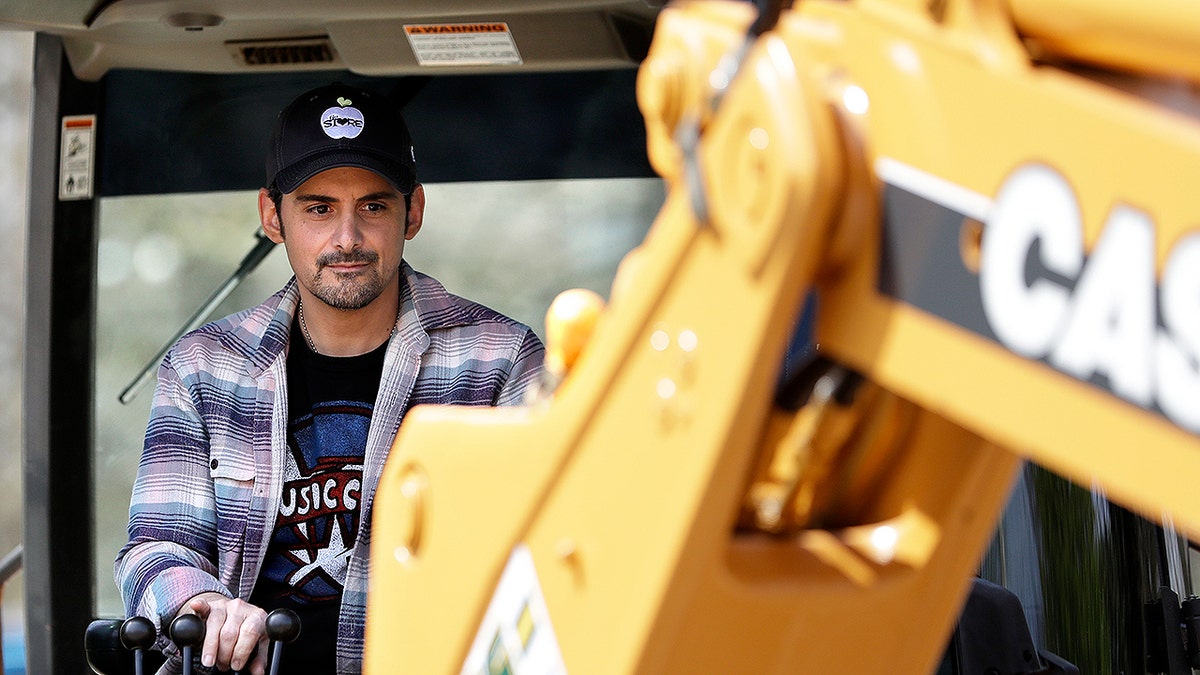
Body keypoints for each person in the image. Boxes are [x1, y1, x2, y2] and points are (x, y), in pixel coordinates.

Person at [114, 82, 545, 674]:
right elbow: (157, 547)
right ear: (273, 216)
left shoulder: (500, 361)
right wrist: (203, 603)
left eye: (373, 206)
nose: (347, 239)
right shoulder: (204, 366)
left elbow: (546, 554)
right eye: (319, 208)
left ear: (412, 212)